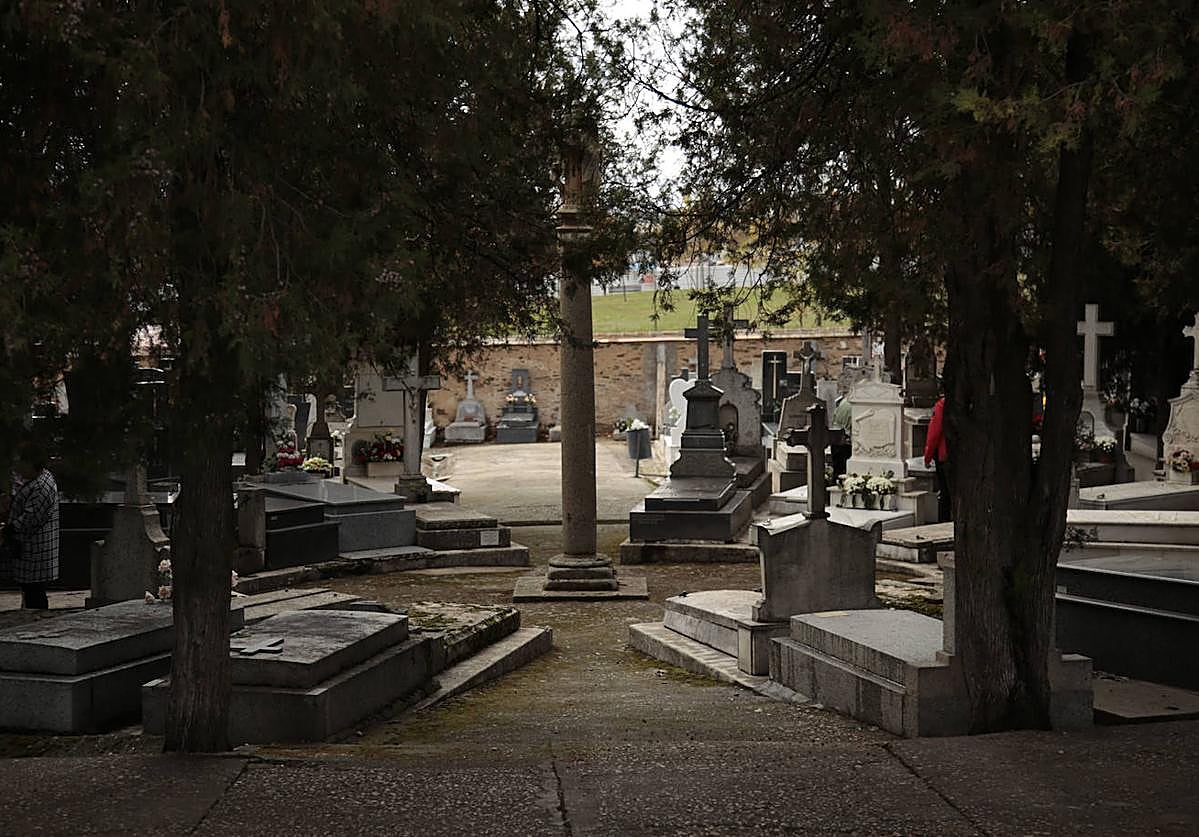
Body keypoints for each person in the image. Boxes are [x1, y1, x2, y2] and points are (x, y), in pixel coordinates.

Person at [3, 442, 60, 609]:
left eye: (20, 463)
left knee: (34, 594)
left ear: (30, 463)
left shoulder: (41, 486)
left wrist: (8, 529)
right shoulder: (38, 479)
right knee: (31, 592)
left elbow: (30, 518)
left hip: (35, 551)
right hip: (32, 550)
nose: (17, 468)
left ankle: (38, 619)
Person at [924, 395, 951, 522]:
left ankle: (944, 522)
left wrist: (928, 457)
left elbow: (934, 432)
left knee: (945, 493)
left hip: (945, 455)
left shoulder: (942, 405)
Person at [830, 394, 853, 478]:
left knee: (838, 471)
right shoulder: (854, 404)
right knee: (844, 472)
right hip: (845, 441)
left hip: (836, 438)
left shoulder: (844, 402)